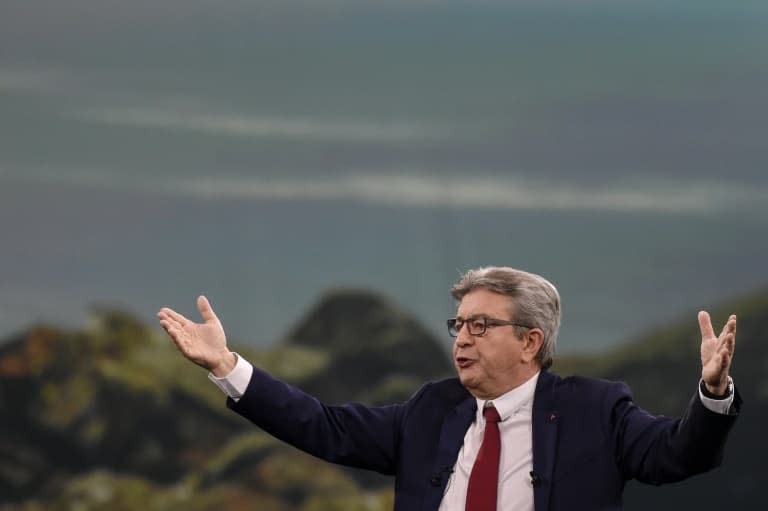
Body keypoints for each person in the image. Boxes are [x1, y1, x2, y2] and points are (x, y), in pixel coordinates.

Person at [157, 266, 740, 511]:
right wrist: (228, 365)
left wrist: (712, 393)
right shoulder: (432, 410)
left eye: (480, 325)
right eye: (458, 324)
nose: (462, 338)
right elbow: (324, 428)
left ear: (531, 342)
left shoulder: (596, 408)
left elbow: (677, 455)